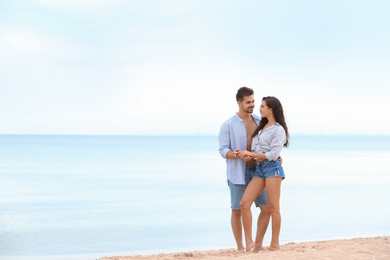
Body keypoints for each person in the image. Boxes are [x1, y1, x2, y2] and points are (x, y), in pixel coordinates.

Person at [218, 87, 271, 252]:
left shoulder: (259, 121)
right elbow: (223, 150)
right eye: (248, 102)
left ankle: (258, 244)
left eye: (253, 101)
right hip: (237, 173)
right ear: (239, 103)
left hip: (259, 170)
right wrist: (238, 155)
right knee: (237, 210)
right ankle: (241, 247)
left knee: (266, 207)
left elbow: (267, 144)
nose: (252, 105)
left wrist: (273, 156)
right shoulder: (227, 125)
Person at [236, 96, 289, 251]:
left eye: (263, 106)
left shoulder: (278, 130)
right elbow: (257, 151)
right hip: (260, 169)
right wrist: (246, 154)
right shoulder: (261, 126)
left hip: (273, 168)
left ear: (271, 109)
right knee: (244, 203)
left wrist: (252, 154)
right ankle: (253, 243)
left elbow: (273, 155)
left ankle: (275, 244)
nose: (260, 108)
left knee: (274, 208)